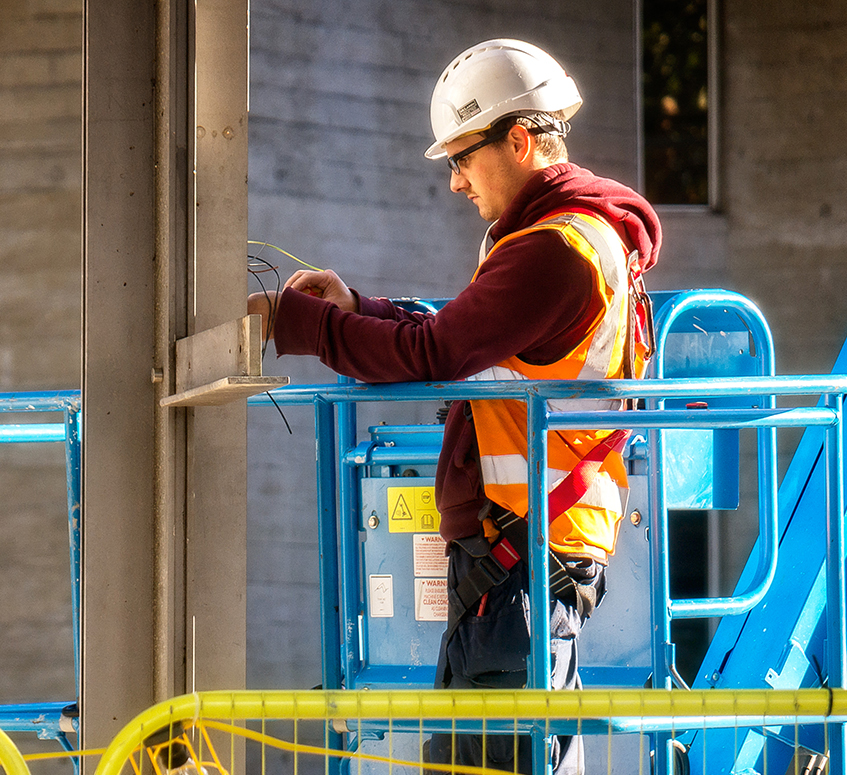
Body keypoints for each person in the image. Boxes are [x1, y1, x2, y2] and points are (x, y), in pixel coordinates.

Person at [248, 39, 662, 774]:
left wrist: (298, 325)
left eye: (462, 159)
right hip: (521, 564)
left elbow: (435, 355)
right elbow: (460, 340)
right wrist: (360, 308)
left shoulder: (556, 251)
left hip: (522, 567)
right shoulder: (564, 237)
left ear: (520, 141)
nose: (456, 183)